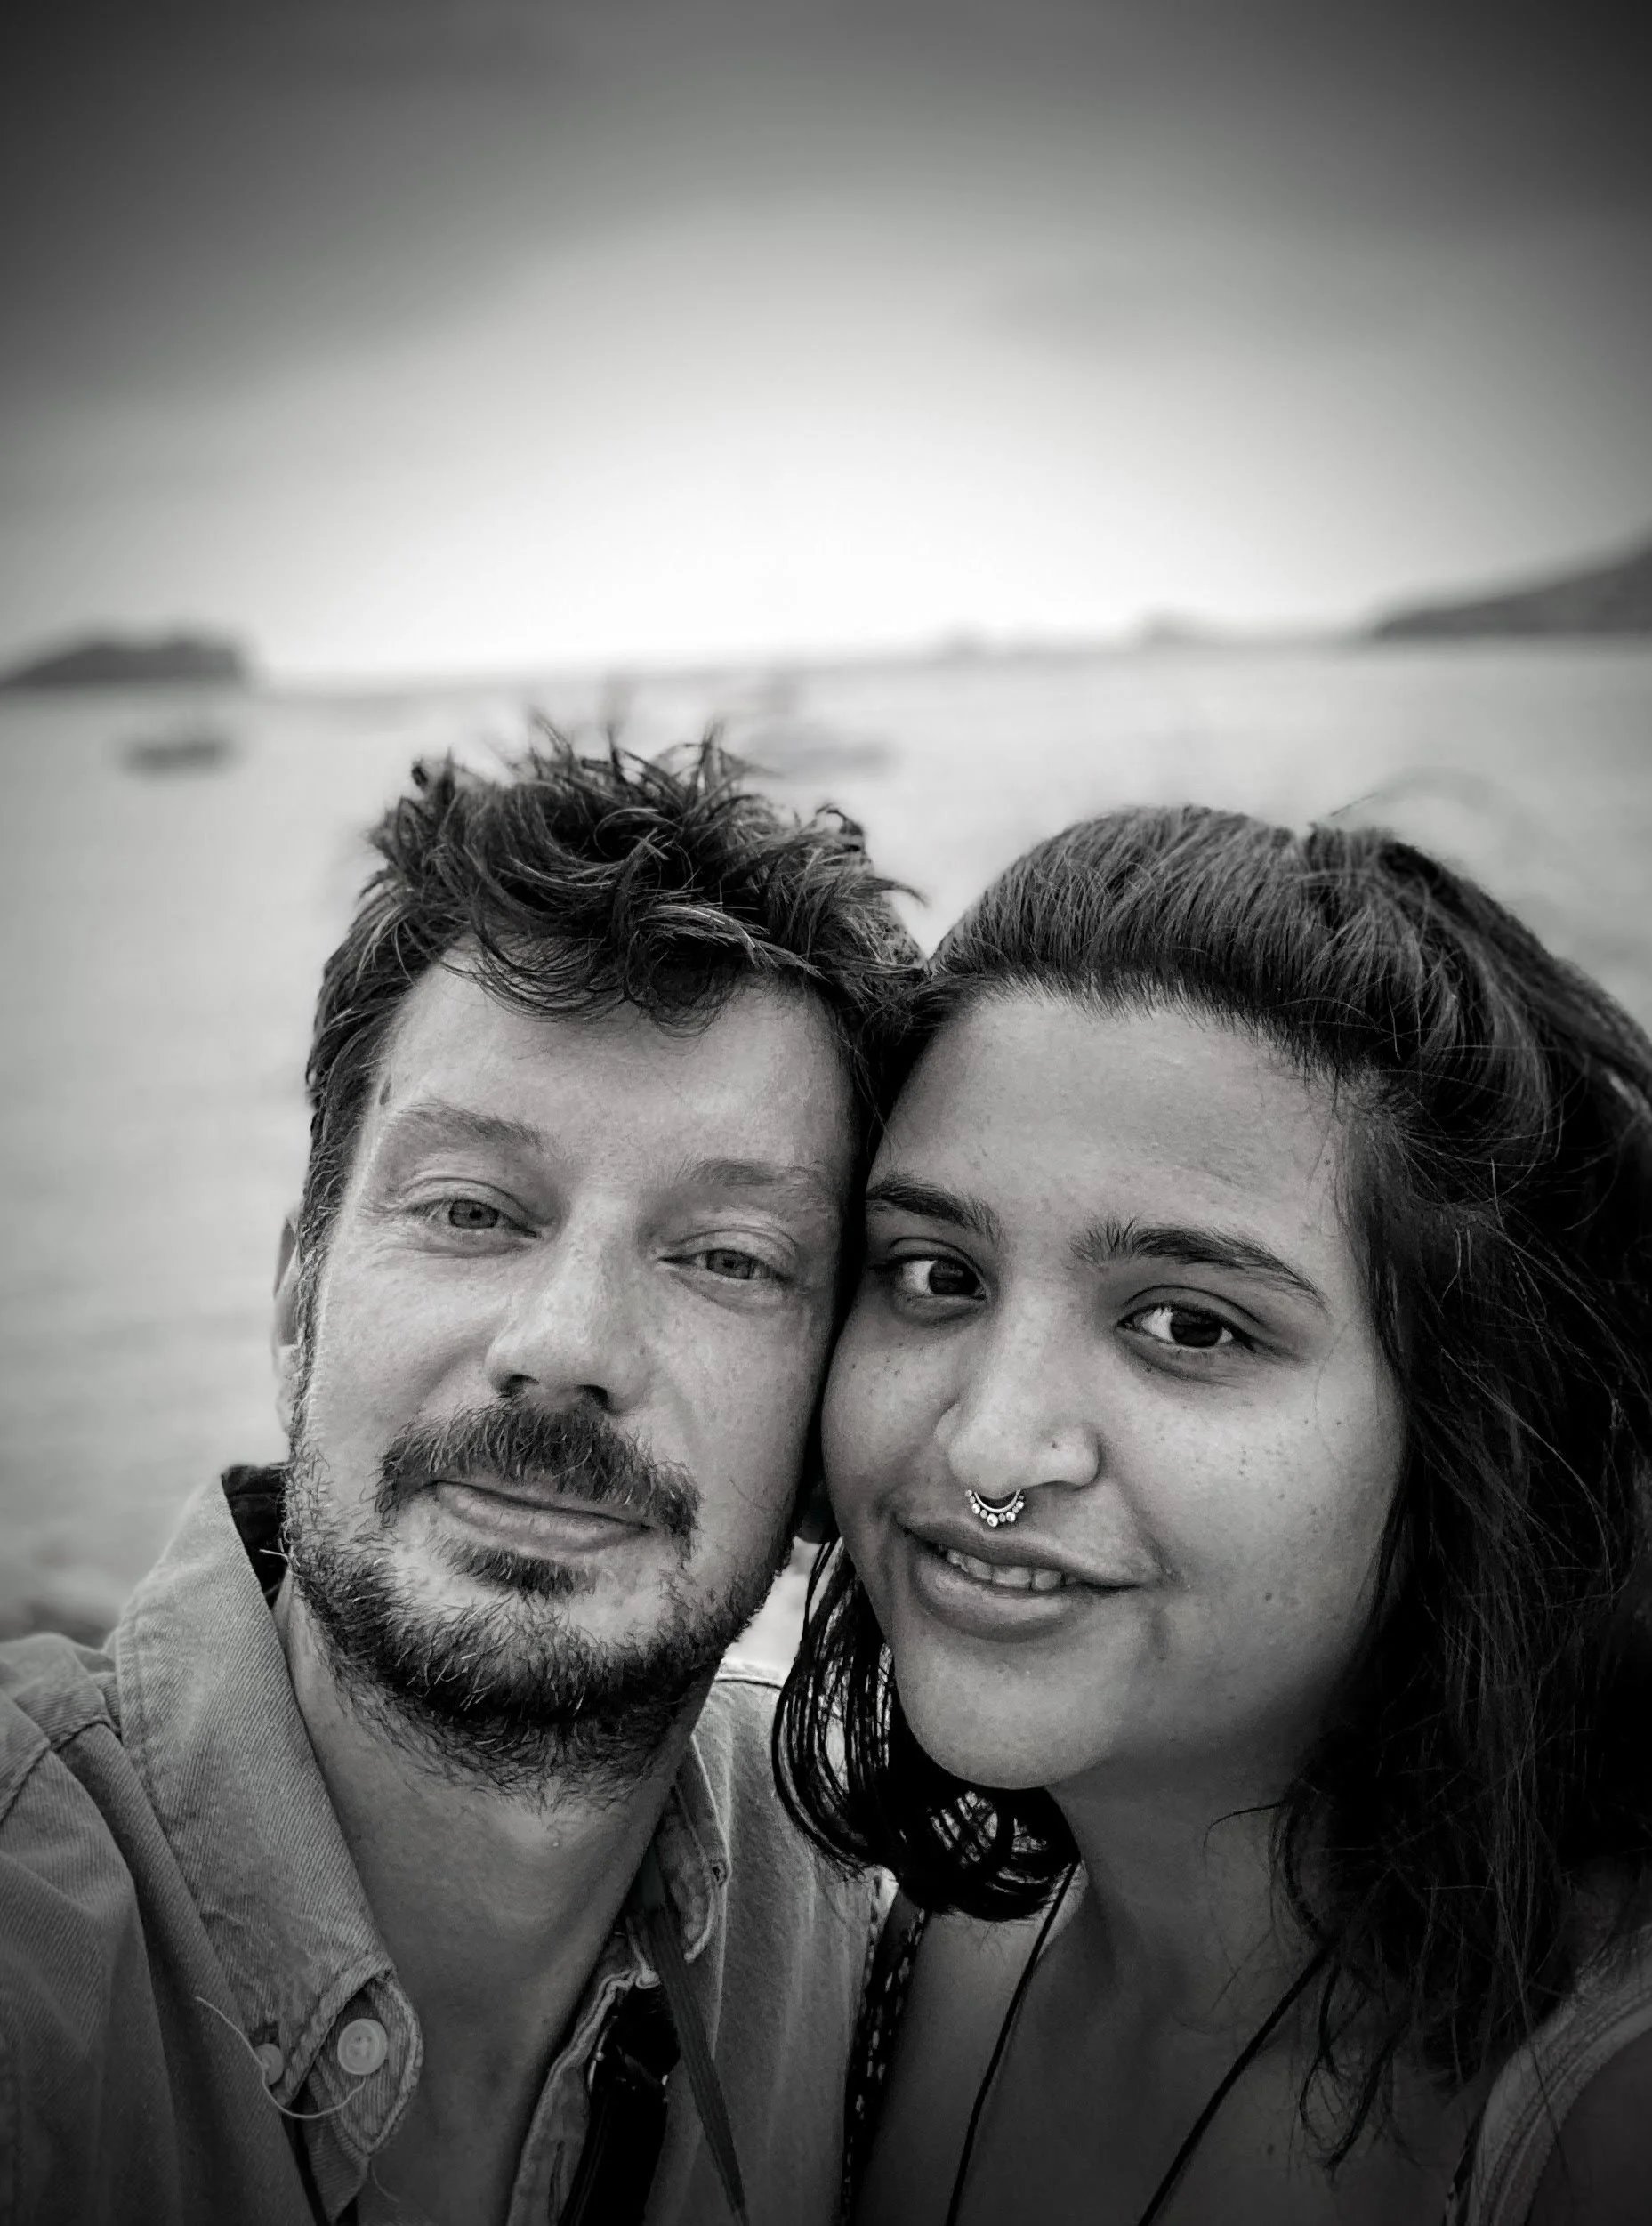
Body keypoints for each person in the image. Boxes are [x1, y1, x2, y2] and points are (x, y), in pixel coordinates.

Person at [0, 738, 917, 2226]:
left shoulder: (852, 1935)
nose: (565, 1347)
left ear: (833, 1424)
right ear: (296, 1303)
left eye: (726, 1256)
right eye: (473, 1210)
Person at [777, 805, 1652, 2226]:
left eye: (1188, 1323)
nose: (991, 1444)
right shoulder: (887, 1966)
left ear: (1473, 1429)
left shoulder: (1593, 2115)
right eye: (937, 1274)